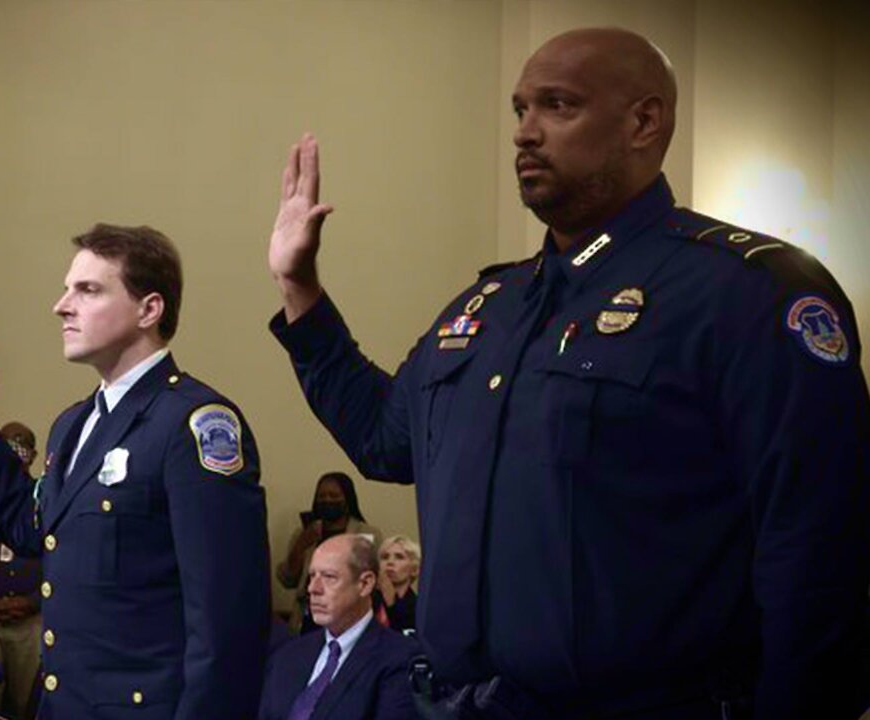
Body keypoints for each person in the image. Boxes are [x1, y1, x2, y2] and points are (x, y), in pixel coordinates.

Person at [266, 27, 870, 720]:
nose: (525, 133)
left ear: (645, 121)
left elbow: (816, 559)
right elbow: (383, 437)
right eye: (520, 110)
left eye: (558, 106)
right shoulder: (489, 307)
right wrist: (300, 289)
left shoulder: (745, 292)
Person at [0, 223, 273, 718]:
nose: (62, 305)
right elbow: (33, 529)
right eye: (67, 289)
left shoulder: (193, 424)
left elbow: (227, 620)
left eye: (88, 289)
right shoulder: (73, 426)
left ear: (149, 309)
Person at [259, 534, 417, 720]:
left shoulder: (400, 659)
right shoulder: (287, 654)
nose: (313, 588)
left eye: (329, 577)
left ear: (365, 584)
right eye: (312, 576)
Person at [0, 420, 44, 719]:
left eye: (22, 446)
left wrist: (31, 601)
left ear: (34, 454)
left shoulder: (45, 499)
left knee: (27, 702)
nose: (16, 454)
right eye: (8, 446)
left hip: (31, 620)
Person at [276, 471, 381, 633]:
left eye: (334, 495)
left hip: (348, 617)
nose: (327, 500)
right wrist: (301, 545)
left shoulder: (366, 533)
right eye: (322, 496)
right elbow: (287, 580)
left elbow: (373, 580)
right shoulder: (305, 533)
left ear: (347, 499)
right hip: (307, 619)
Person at [374, 535, 419, 634]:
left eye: (399, 557)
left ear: (414, 570)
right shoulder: (366, 602)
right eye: (385, 557)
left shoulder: (419, 609)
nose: (390, 562)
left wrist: (391, 603)